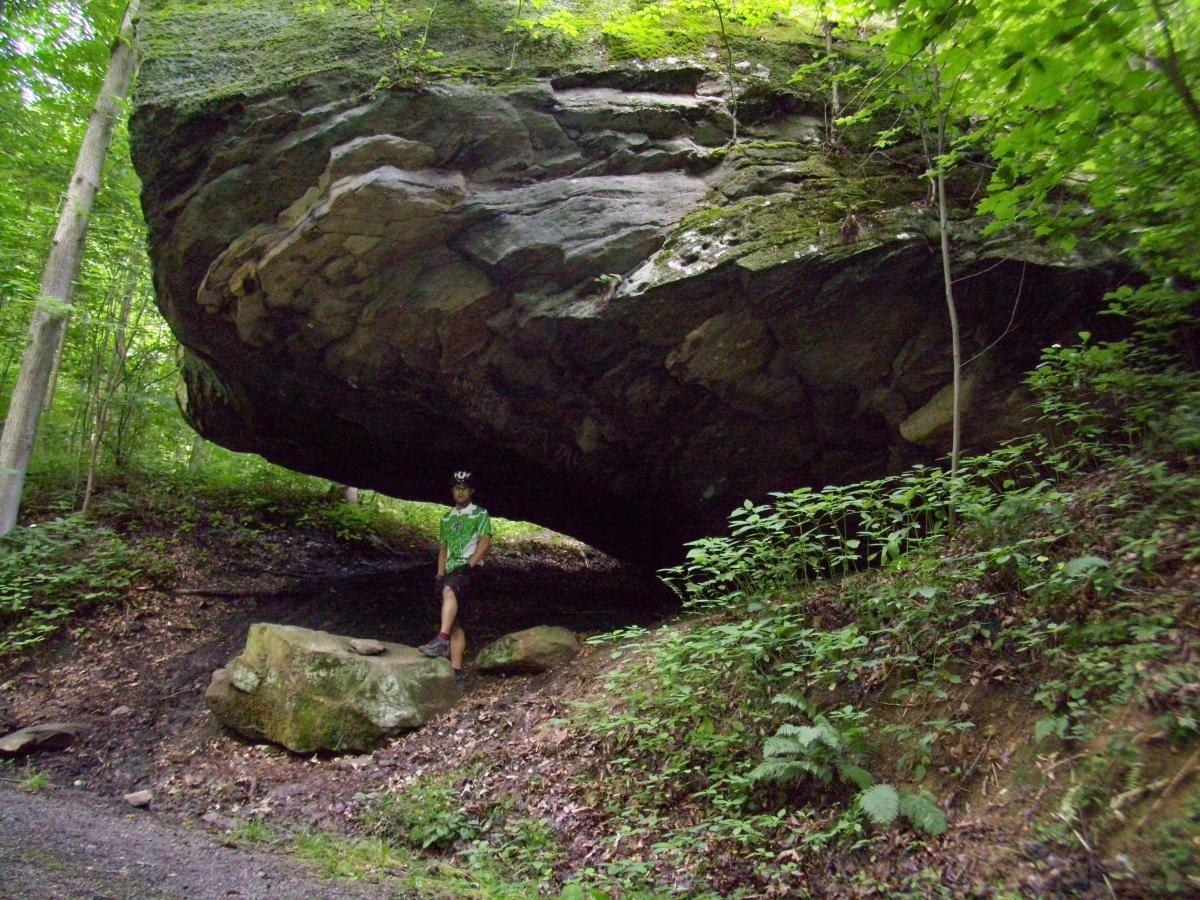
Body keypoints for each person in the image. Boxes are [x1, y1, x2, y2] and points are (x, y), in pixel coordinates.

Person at [418, 471, 492, 691]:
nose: (460, 492)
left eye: (464, 488)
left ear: (471, 491)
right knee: (456, 624)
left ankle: (441, 640)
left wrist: (470, 565)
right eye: (457, 488)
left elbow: (485, 542)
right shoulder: (447, 518)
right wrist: (439, 575)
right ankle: (456, 674)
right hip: (450, 571)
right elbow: (443, 549)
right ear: (452, 492)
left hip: (469, 571)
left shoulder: (480, 514)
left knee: (450, 591)